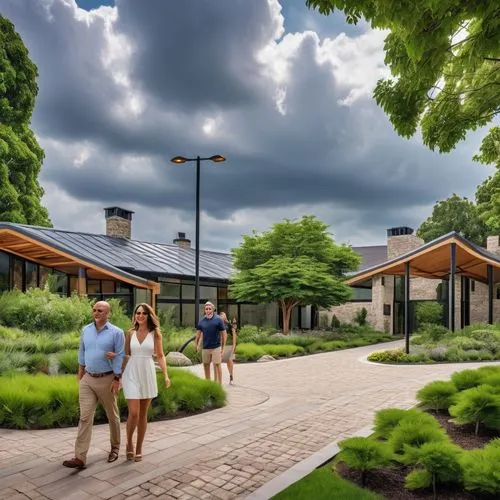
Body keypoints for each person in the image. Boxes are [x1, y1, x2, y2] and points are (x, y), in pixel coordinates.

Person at [63, 301, 125, 469]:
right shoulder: (86, 330)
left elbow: (121, 356)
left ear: (108, 314)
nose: (96, 312)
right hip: (88, 379)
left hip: (108, 379)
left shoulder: (117, 333)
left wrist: (117, 378)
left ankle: (115, 448)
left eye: (100, 310)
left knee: (112, 416)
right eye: (94, 310)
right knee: (84, 417)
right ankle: (80, 457)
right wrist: (80, 373)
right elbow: (81, 351)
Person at [121, 303, 171, 462]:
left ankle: (139, 448)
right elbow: (125, 355)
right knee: (133, 413)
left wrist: (166, 375)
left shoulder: (155, 333)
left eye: (143, 313)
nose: (140, 316)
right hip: (131, 373)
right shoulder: (130, 333)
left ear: (149, 315)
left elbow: (161, 355)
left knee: (143, 414)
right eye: (138, 313)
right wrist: (118, 376)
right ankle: (129, 442)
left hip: (147, 373)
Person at [194, 302, 226, 383]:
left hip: (216, 347)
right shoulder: (201, 321)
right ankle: (208, 383)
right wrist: (196, 345)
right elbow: (198, 335)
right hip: (205, 347)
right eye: (206, 309)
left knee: (217, 364)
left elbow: (224, 334)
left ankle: (219, 384)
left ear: (213, 309)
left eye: (209, 309)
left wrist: (223, 347)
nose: (208, 310)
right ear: (204, 310)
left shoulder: (218, 319)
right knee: (206, 364)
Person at [219, 312, 237, 385]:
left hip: (229, 345)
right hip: (220, 346)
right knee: (218, 362)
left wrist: (234, 346)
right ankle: (218, 379)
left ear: (225, 316)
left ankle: (231, 377)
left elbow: (234, 336)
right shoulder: (217, 325)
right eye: (220, 315)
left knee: (229, 361)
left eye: (223, 315)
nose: (222, 316)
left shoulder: (229, 325)